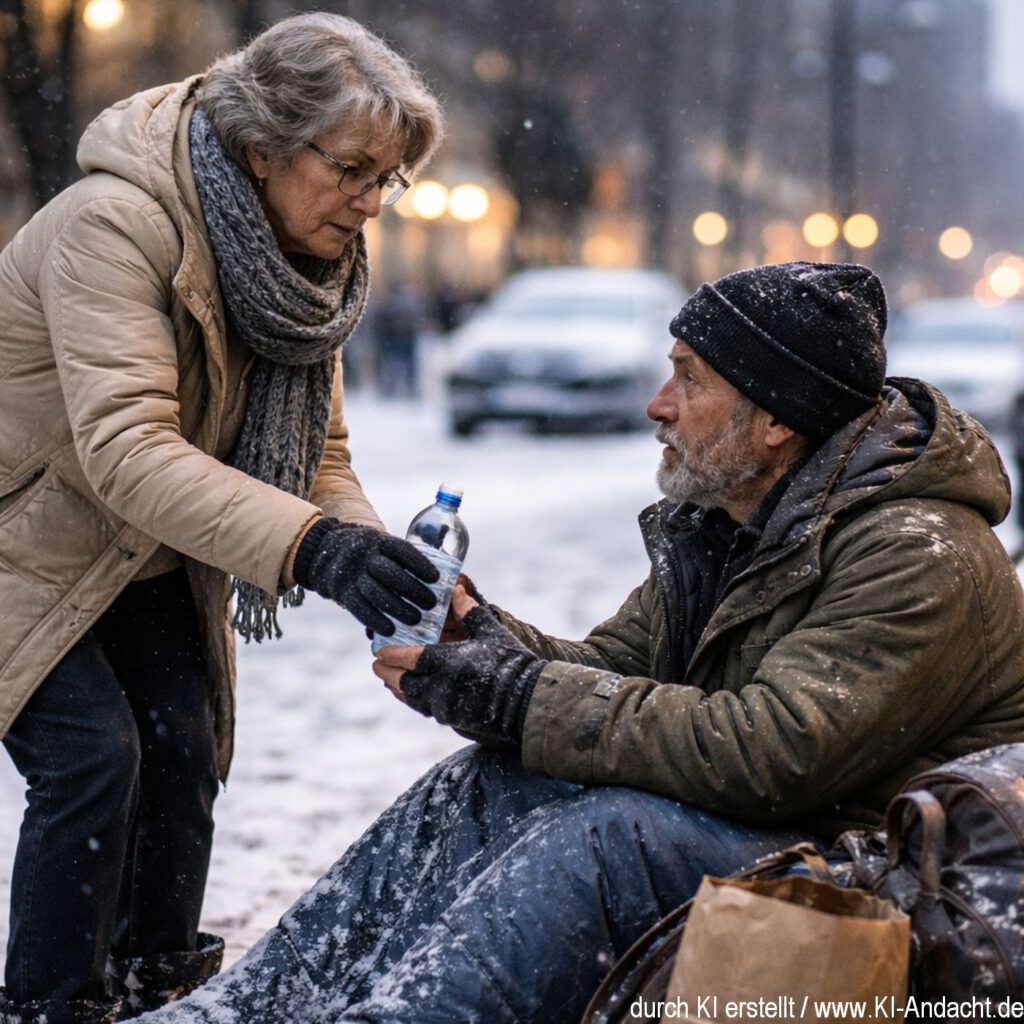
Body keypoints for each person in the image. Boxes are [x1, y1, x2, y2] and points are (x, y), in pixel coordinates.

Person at [137, 262, 1024, 1024]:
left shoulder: (918, 549)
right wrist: (479, 635)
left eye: (689, 378)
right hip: (783, 826)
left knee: (612, 838)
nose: (658, 404)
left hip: (882, 875)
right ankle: (251, 1006)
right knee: (488, 784)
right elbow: (612, 672)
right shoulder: (735, 517)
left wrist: (517, 696)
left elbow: (774, 753)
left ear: (777, 420)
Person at [0, 13, 445, 1024]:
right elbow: (128, 447)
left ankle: (160, 989)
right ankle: (50, 1005)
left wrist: (369, 553)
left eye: (389, 178)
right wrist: (311, 547)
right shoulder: (115, 224)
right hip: (20, 536)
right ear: (262, 148)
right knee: (94, 757)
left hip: (139, 545)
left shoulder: (298, 269)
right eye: (352, 170)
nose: (372, 201)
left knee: (184, 744)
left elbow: (318, 456)